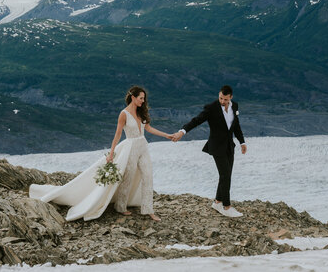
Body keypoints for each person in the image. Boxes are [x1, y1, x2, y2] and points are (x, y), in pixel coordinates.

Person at [29, 86, 172, 221]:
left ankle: (149, 210)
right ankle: (120, 206)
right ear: (133, 98)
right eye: (141, 98)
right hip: (131, 147)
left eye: (143, 98)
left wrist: (167, 135)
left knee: (147, 176)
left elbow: (148, 128)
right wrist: (111, 154)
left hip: (143, 146)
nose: (143, 101)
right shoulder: (124, 114)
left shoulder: (141, 112)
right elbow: (117, 135)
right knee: (127, 178)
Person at [172, 85, 247, 217]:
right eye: (220, 98)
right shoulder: (211, 108)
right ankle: (226, 206)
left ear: (231, 97)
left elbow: (236, 125)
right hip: (217, 146)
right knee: (225, 175)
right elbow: (197, 120)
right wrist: (182, 132)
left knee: (226, 174)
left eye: (225, 99)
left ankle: (217, 202)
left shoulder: (234, 106)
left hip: (229, 146)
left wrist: (242, 142)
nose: (222, 101)